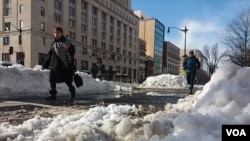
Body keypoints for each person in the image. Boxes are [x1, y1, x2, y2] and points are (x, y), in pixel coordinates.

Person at [43, 26, 76, 100]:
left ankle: (72, 89)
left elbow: (72, 52)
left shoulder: (66, 42)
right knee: (52, 79)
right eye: (55, 32)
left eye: (58, 32)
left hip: (63, 65)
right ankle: (53, 95)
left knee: (67, 80)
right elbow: (50, 53)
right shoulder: (53, 43)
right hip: (54, 64)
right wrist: (46, 63)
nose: (56, 34)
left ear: (61, 33)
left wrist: (68, 48)